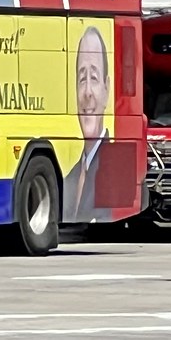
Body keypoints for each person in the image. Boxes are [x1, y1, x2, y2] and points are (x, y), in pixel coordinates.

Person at [64, 26, 110, 222]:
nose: (87, 93)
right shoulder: (67, 180)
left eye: (94, 78)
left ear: (107, 89)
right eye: (82, 79)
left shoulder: (115, 169)